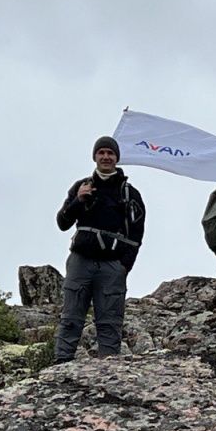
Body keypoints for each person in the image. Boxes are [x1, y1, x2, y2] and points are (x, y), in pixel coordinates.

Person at [54, 136, 146, 362]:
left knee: (109, 322)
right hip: (80, 261)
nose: (106, 157)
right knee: (70, 318)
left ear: (117, 158)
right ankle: (60, 364)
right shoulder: (82, 187)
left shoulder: (129, 193)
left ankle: (109, 370)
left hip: (112, 267)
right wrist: (78, 200)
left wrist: (124, 266)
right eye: (101, 152)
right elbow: (62, 223)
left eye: (110, 153)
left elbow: (137, 234)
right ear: (94, 156)